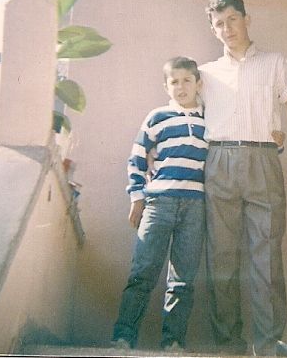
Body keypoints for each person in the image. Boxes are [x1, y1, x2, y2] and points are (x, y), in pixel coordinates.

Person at [200, 0, 287, 356]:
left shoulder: (275, 62)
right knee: (221, 256)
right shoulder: (205, 74)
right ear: (213, 30)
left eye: (232, 19)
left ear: (247, 19)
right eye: (219, 24)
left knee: (267, 255)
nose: (227, 28)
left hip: (263, 160)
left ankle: (268, 345)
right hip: (219, 161)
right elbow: (183, 113)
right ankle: (227, 345)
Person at [111, 56, 208, 352]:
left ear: (198, 84)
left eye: (187, 80)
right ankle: (123, 337)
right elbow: (137, 158)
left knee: (183, 279)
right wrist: (137, 197)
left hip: (195, 206)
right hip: (159, 203)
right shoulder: (158, 117)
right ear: (166, 86)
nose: (181, 87)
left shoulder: (211, 118)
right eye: (174, 82)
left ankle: (173, 342)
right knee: (143, 271)